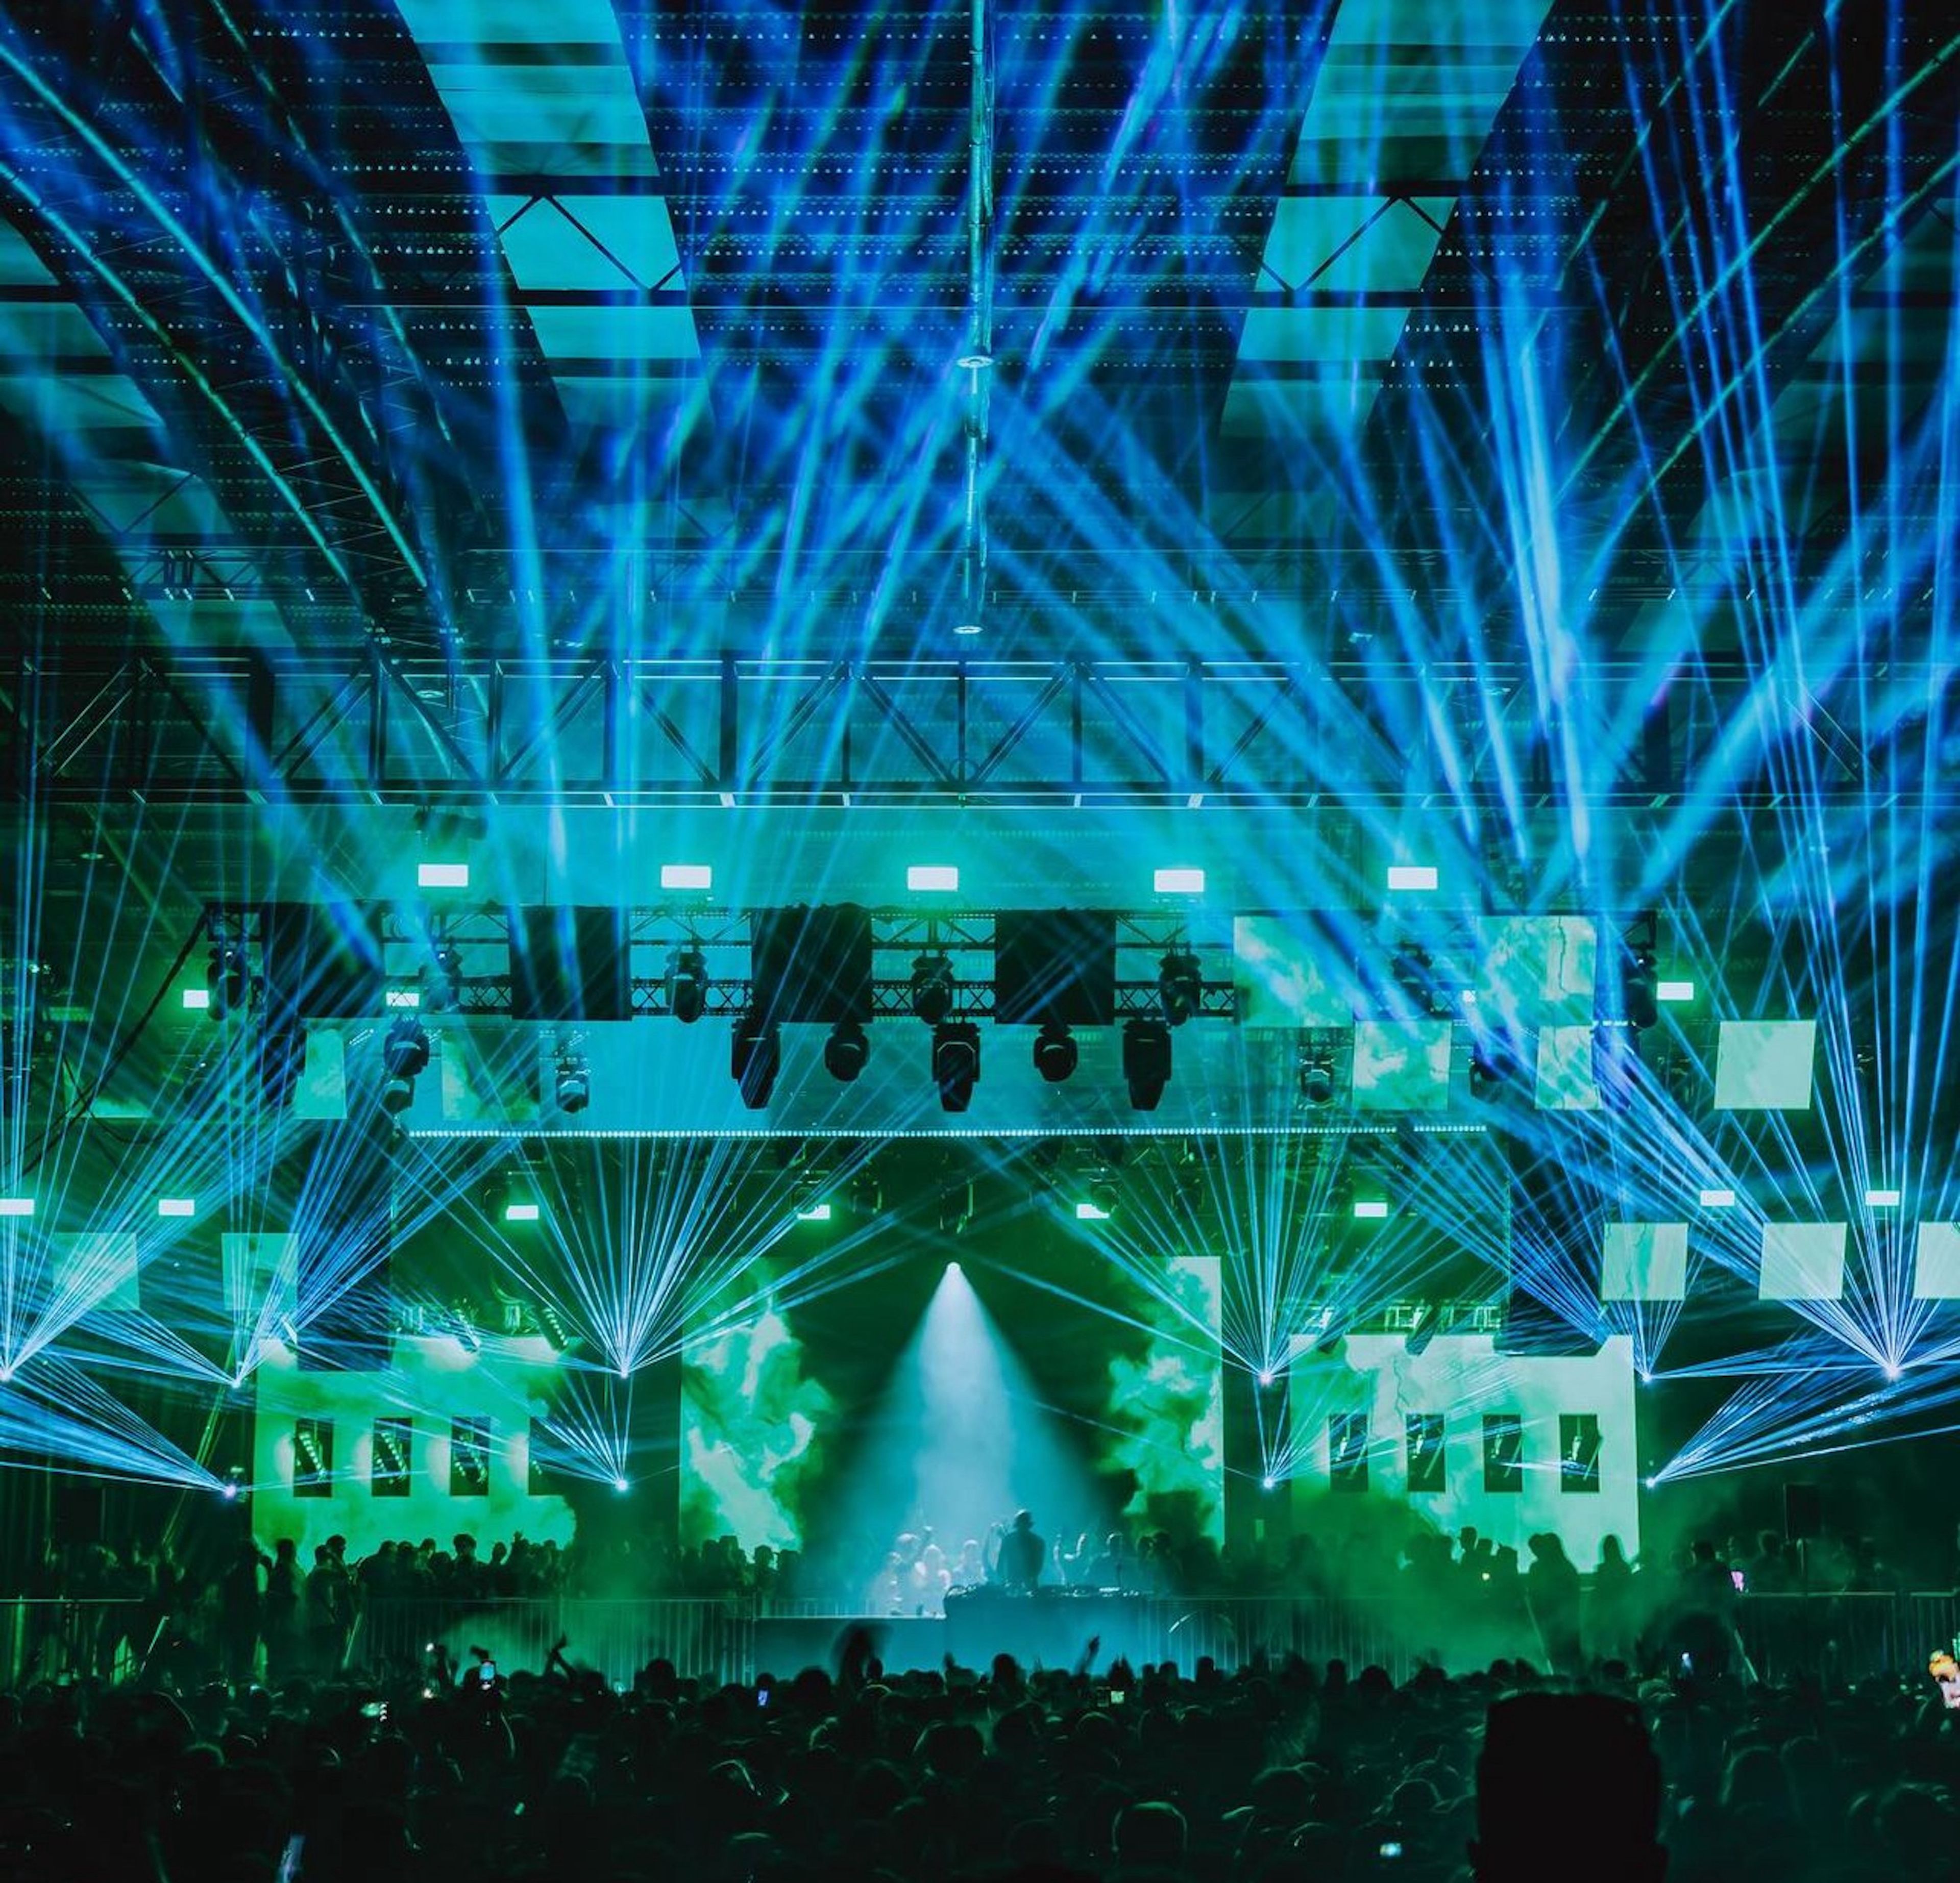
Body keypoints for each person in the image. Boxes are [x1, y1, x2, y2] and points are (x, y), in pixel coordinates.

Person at [989, 1510, 1046, 1592]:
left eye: (1024, 1524)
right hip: (1016, 1584)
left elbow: (1039, 1565)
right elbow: (1001, 1564)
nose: (1022, 1527)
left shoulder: (1037, 1542)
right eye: (1021, 1524)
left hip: (1023, 1584)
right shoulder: (1038, 1541)